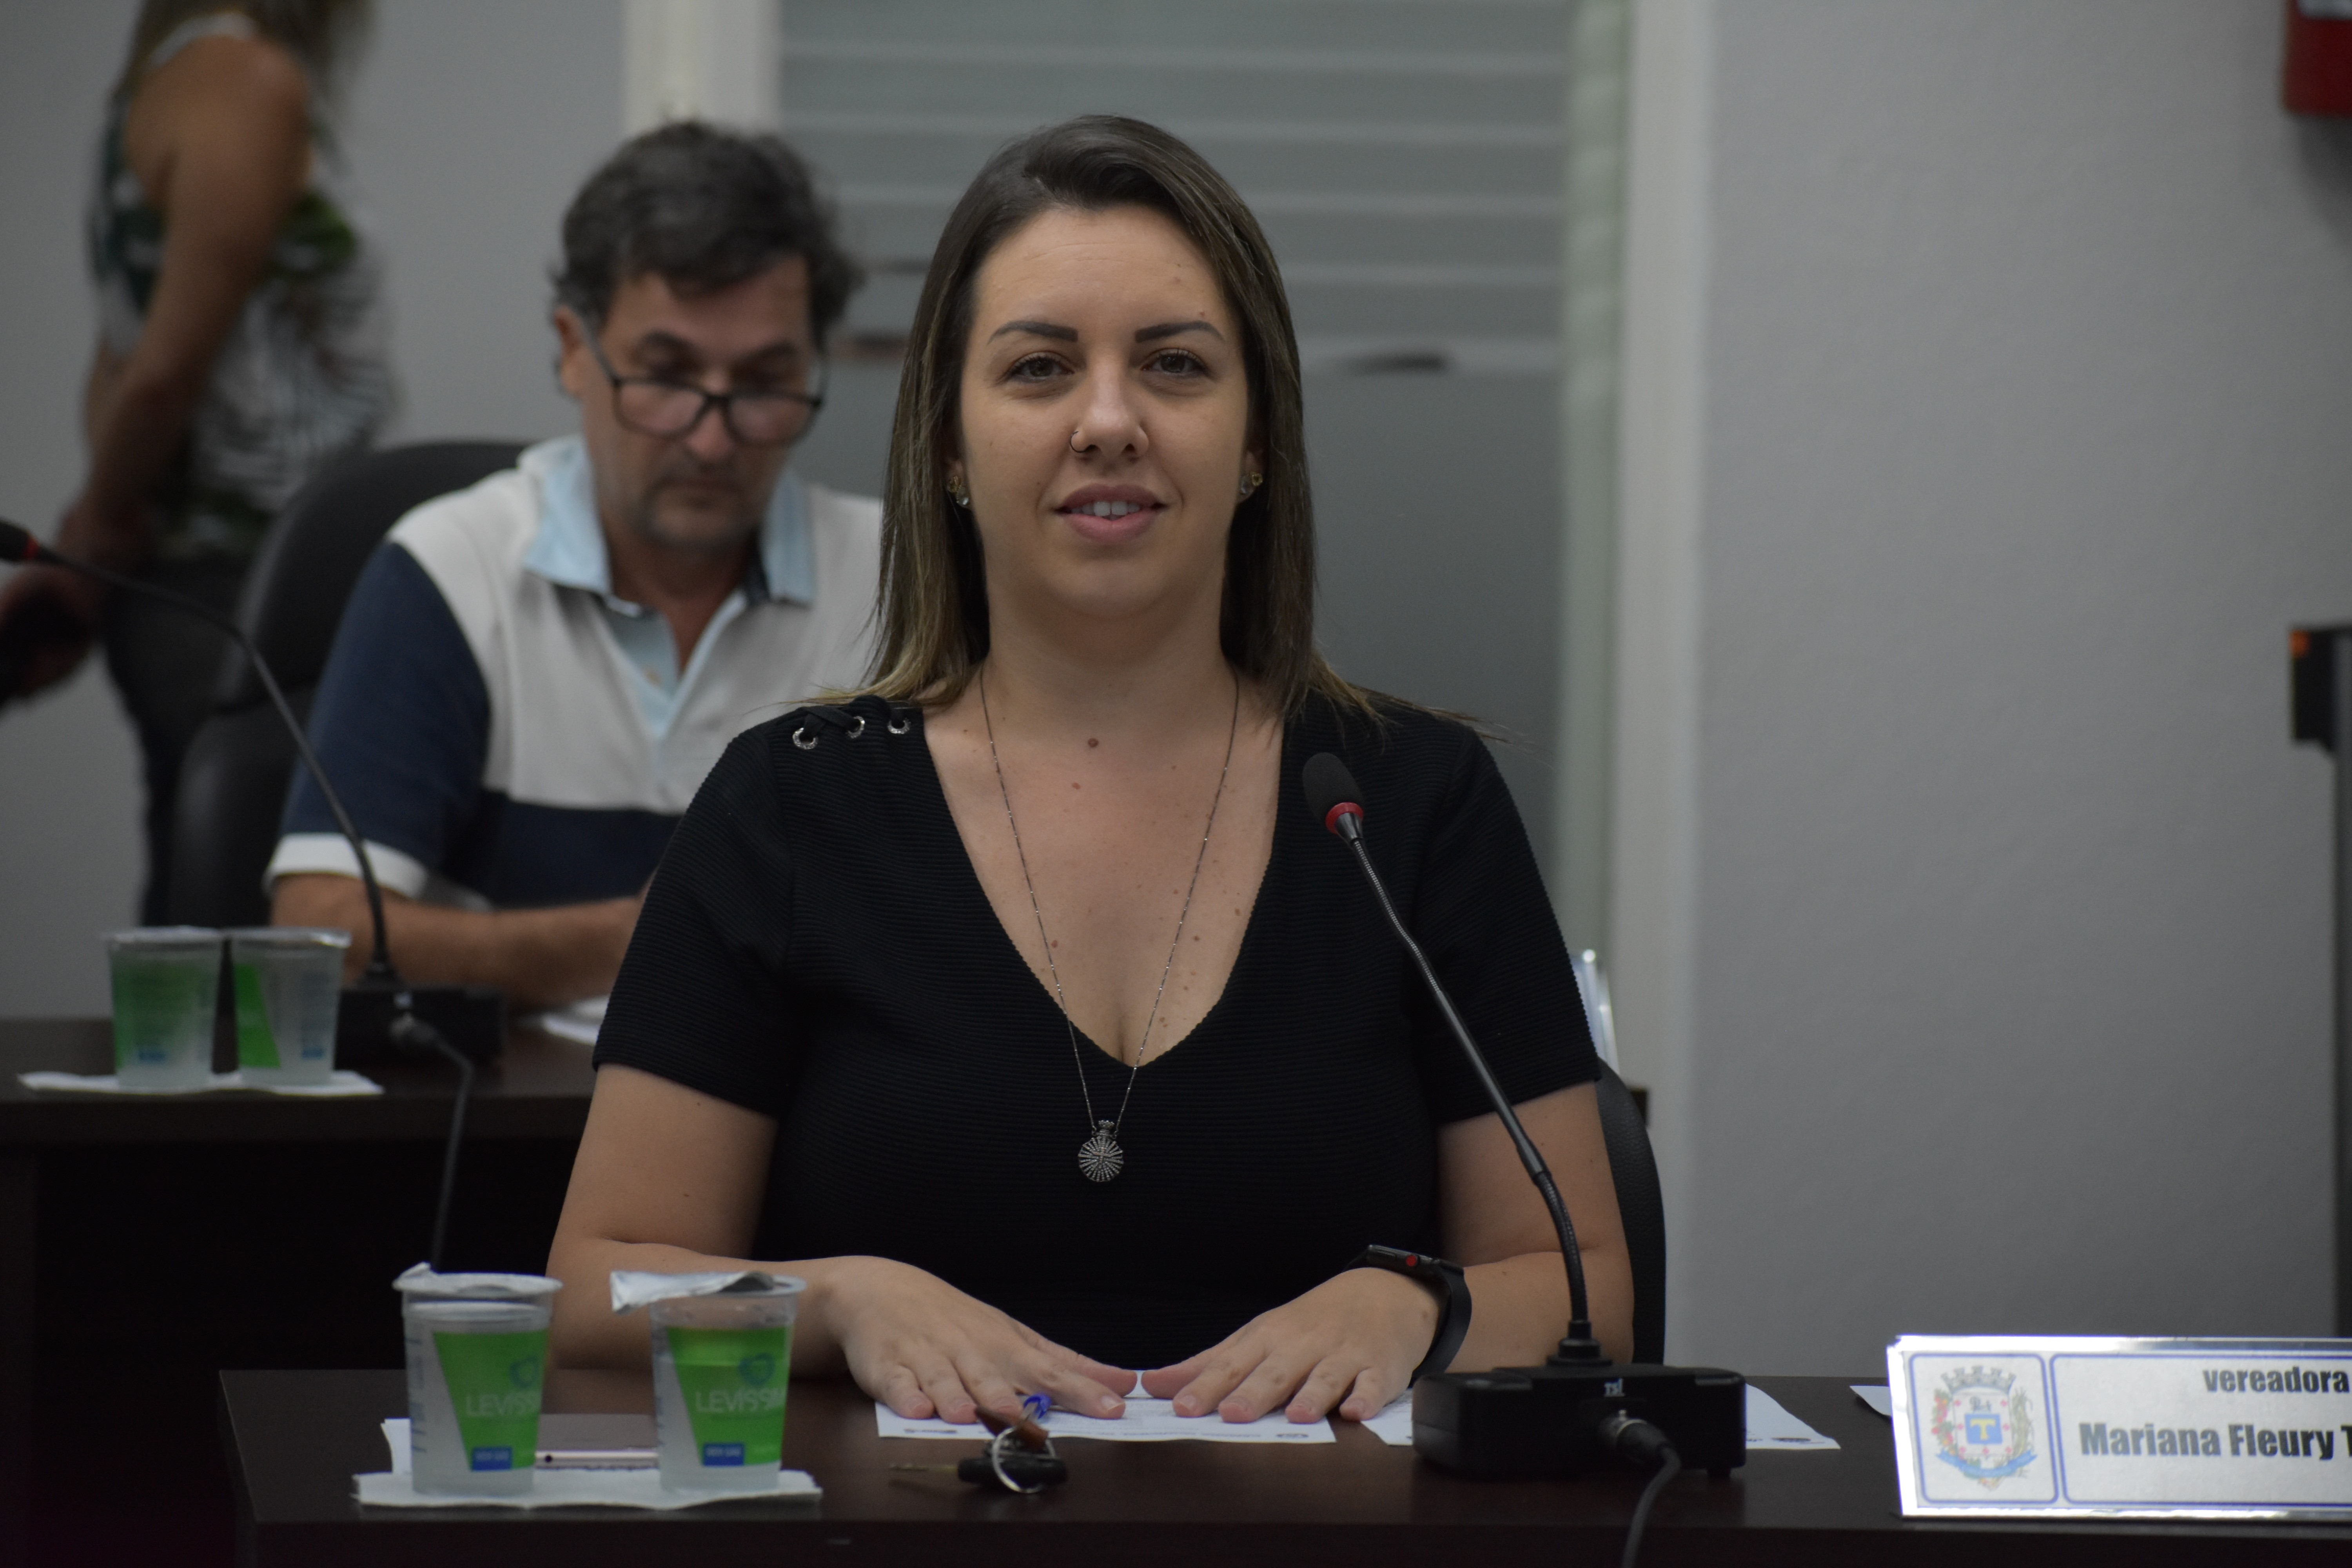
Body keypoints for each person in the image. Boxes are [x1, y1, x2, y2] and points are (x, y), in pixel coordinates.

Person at [548, 115, 1632, 1428]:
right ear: (949, 446)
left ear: (1256, 442)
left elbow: (1583, 1290)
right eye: (1040, 368)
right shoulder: (789, 805)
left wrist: (1419, 1307)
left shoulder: (1408, 804)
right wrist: (832, 1301)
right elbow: (594, 1292)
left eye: (1175, 365)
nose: (1109, 421)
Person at [265, 122, 877, 1016]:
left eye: (761, 384)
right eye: (666, 375)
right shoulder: (456, 571)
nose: (712, 441)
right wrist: (654, 938)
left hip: (811, 1103)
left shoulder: (897, 583)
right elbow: (321, 937)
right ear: (573, 349)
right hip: (513, 1097)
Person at [0, 0, 390, 923]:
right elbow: (162, 374)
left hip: (199, 578)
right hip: (233, 584)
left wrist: (86, 543)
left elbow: (127, 357)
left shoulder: (163, 81)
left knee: (204, 895)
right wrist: (90, 540)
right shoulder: (244, 79)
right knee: (246, 921)